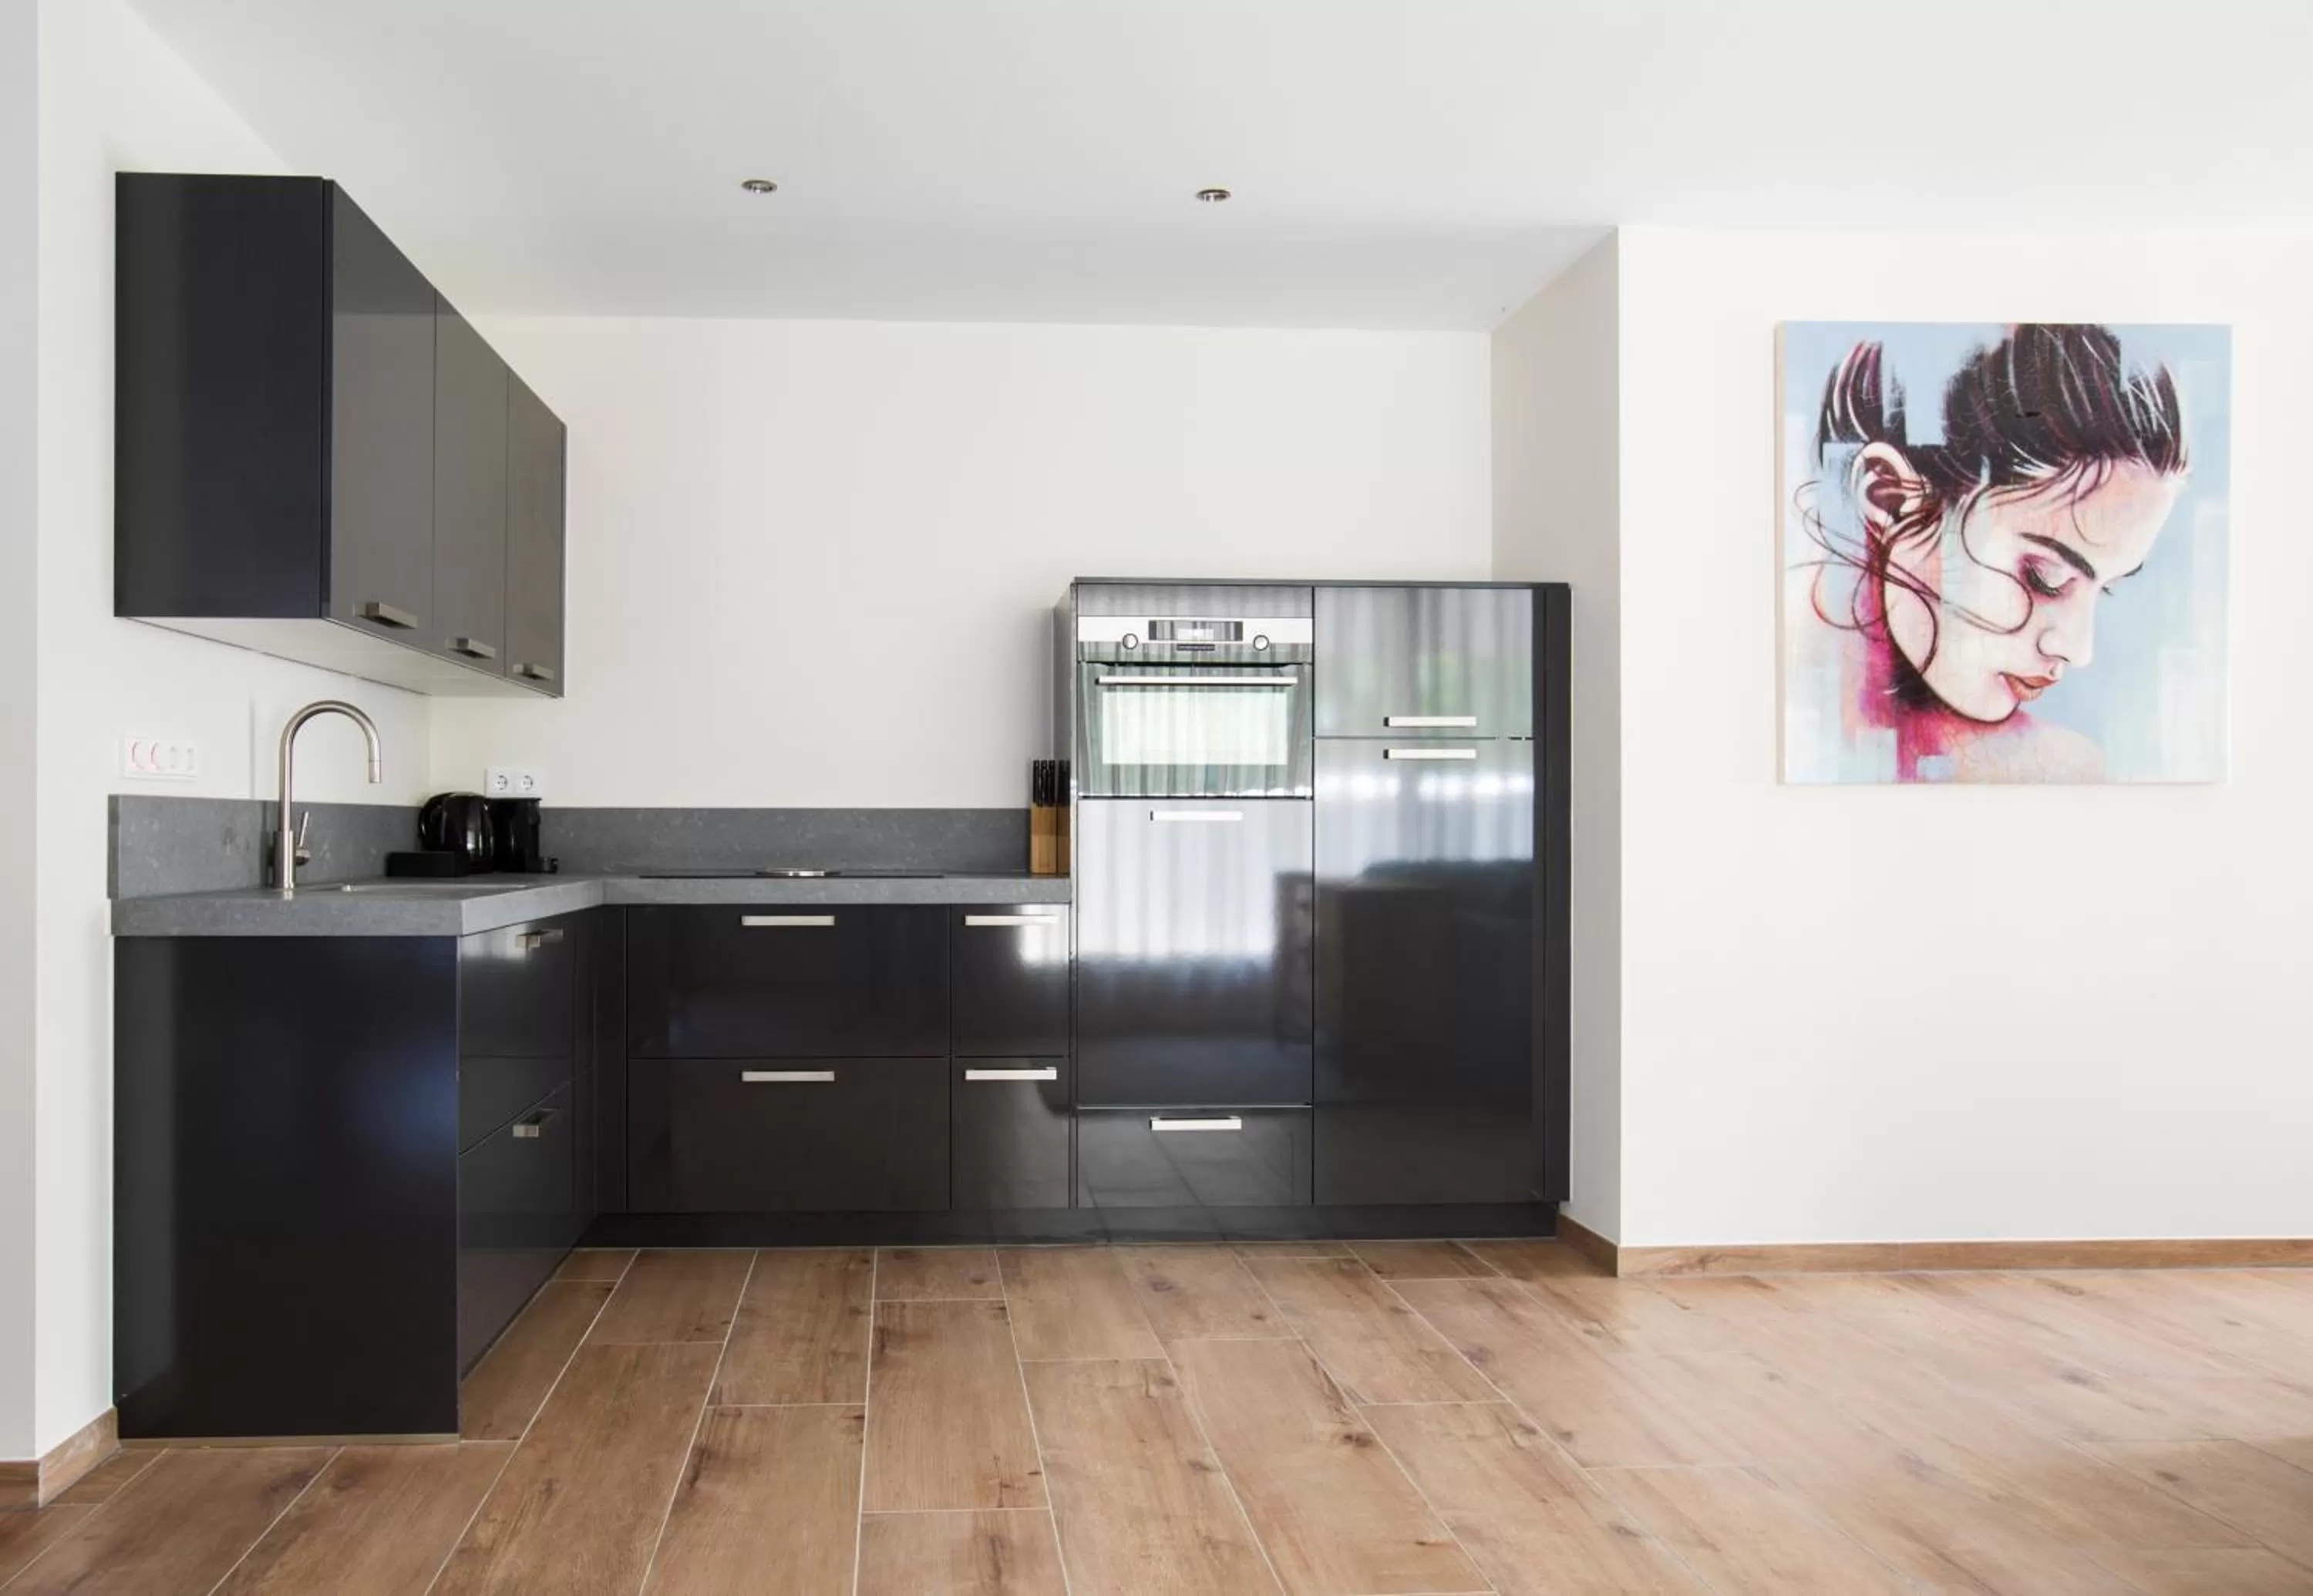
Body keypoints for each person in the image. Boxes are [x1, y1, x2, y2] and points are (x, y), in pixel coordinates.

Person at [1789, 324, 2189, 781]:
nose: (2078, 650)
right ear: (1889, 496)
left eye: (2108, 588)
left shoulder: (2056, 769)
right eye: (2045, 579)